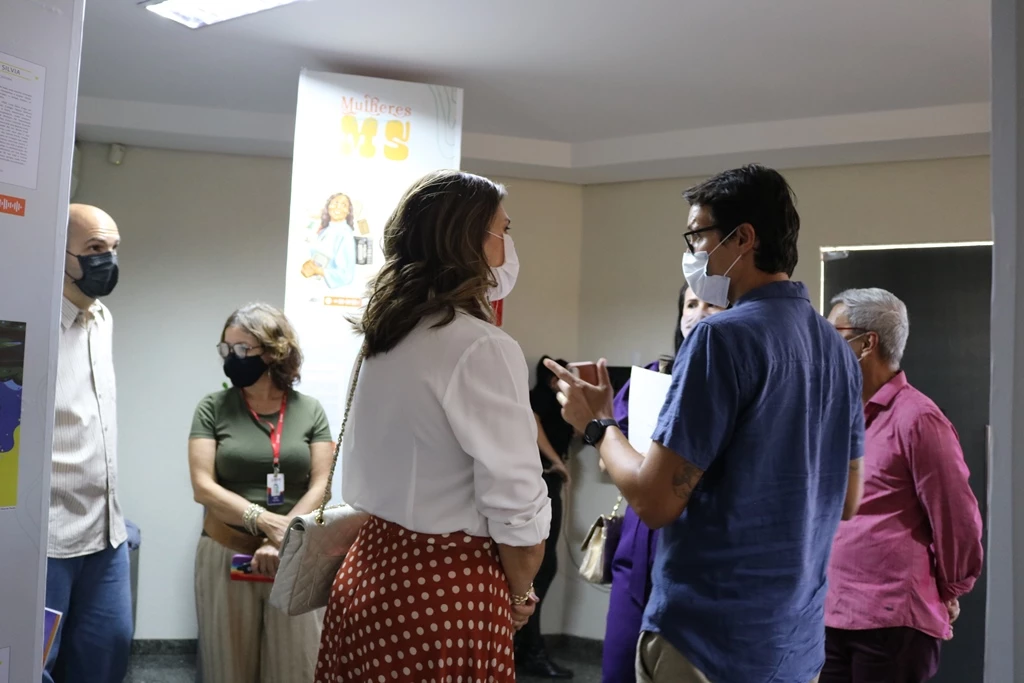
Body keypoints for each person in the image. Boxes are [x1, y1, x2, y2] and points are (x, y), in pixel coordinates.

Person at [546, 164, 865, 683]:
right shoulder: (837, 350)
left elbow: (655, 502)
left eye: (698, 235)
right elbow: (848, 500)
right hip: (793, 643)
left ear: (743, 238)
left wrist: (598, 425)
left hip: (709, 641)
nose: (693, 251)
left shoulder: (721, 338)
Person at [316, 170, 551, 683]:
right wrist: (520, 593)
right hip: (443, 590)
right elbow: (517, 506)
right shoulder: (481, 346)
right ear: (468, 241)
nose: (509, 245)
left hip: (368, 573)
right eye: (504, 230)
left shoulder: (386, 334)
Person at [822, 288, 984, 683]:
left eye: (832, 334)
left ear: (866, 343)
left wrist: (950, 588)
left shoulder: (919, 419)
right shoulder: (838, 415)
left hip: (891, 625)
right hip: (829, 617)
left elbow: (957, 519)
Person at [188, 302, 334, 683]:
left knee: (296, 668)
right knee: (227, 669)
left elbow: (322, 484)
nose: (230, 358)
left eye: (241, 349)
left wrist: (283, 536)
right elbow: (203, 487)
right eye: (225, 349)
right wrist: (264, 522)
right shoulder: (213, 408)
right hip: (227, 549)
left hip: (294, 555)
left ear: (273, 352)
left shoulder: (310, 410)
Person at [602, 282, 721, 683]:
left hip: (699, 557)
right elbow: (608, 461)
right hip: (637, 550)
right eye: (691, 304)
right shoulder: (654, 377)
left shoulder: (734, 384)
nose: (698, 313)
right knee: (618, 667)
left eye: (711, 304)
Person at [44, 204, 132, 683]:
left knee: (108, 653)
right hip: (48, 537)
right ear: (58, 253)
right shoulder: (28, 324)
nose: (107, 260)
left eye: (114, 249)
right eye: (95, 248)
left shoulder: (102, 318)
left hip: (106, 532)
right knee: (37, 662)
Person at [515, 356, 574, 678]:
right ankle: (531, 650)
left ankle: (526, 646)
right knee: (541, 566)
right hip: (542, 480)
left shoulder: (556, 401)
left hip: (547, 480)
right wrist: (556, 461)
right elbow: (533, 422)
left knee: (544, 568)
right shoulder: (538, 397)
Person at [301, 192, 357, 288]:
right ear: (328, 206)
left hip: (332, 291)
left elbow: (346, 276)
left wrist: (318, 271)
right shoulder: (324, 231)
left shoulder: (345, 234)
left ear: (348, 211)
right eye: (335, 203)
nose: (338, 207)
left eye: (344, 205)